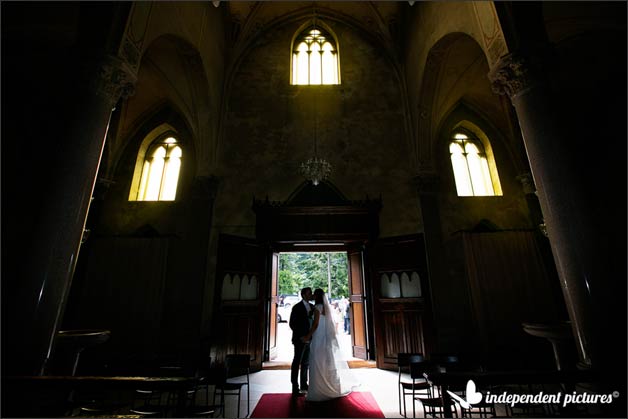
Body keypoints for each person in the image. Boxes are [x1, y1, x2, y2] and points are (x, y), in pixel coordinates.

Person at [302, 288, 359, 401]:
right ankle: (330, 385)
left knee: (317, 361)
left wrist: (308, 335)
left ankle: (319, 389)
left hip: (318, 337)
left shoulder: (318, 307)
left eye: (314, 294)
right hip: (324, 337)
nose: (312, 295)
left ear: (317, 296)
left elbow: (316, 324)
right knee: (326, 360)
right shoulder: (325, 308)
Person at [289, 287, 314, 396]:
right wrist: (302, 337)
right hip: (300, 339)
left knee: (306, 363)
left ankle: (304, 385)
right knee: (297, 362)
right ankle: (295, 387)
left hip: (310, 339)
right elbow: (292, 324)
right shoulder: (297, 307)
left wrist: (310, 336)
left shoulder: (312, 307)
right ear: (303, 295)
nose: (311, 295)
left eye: (311, 293)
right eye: (309, 293)